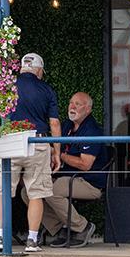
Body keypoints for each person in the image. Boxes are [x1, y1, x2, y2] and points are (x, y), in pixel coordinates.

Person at [3, 52, 62, 255]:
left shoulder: (7, 86)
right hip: (37, 141)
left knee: (3, 192)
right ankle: (32, 239)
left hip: (10, 141)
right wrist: (57, 152)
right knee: (36, 193)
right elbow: (54, 123)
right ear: (39, 70)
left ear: (22, 68)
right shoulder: (46, 89)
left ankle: (1, 237)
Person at [43, 92, 109, 247]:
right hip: (66, 178)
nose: (72, 107)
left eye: (77, 104)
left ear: (88, 109)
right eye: (71, 103)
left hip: (90, 182)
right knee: (29, 192)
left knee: (51, 190)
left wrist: (60, 155)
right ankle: (63, 229)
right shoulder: (67, 125)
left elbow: (85, 165)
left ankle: (82, 227)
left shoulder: (92, 130)